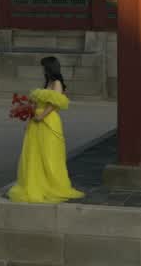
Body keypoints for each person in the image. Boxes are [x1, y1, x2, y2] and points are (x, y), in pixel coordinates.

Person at [7, 56, 85, 204]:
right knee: (34, 153)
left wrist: (41, 116)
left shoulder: (57, 83)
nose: (42, 70)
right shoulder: (47, 82)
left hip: (48, 120)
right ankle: (36, 182)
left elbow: (54, 104)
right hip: (37, 121)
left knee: (49, 154)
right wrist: (30, 113)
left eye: (43, 67)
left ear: (50, 67)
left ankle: (52, 184)